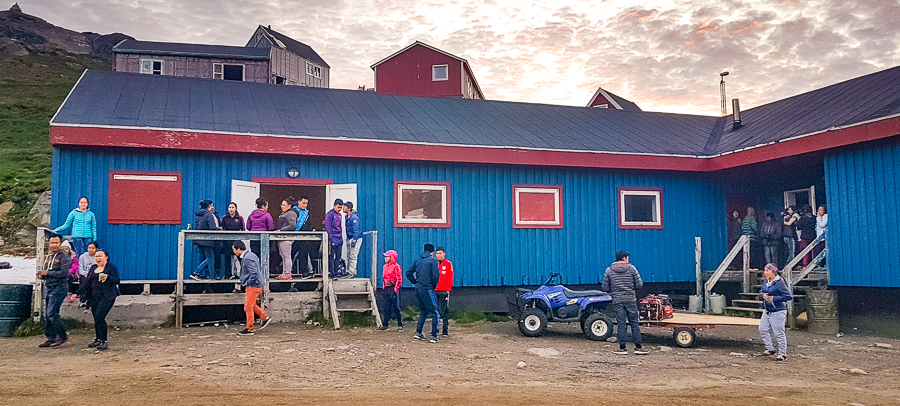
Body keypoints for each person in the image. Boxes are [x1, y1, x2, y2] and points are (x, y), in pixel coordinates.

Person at [601, 250, 647, 355]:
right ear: (624, 258)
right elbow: (639, 285)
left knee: (621, 323)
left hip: (617, 300)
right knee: (634, 323)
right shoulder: (632, 269)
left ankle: (622, 348)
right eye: (627, 257)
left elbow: (605, 287)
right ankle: (638, 347)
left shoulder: (609, 270)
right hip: (630, 300)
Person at [77, 249, 120, 351]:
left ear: (106, 257)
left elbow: (117, 280)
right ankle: (98, 339)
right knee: (96, 319)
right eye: (96, 256)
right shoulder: (93, 268)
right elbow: (87, 283)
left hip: (107, 296)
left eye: (100, 256)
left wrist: (108, 277)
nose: (98, 258)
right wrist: (77, 293)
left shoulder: (111, 268)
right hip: (94, 297)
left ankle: (104, 341)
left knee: (100, 317)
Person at [36, 234, 72, 348]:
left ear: (60, 244)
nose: (54, 245)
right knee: (48, 314)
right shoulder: (48, 257)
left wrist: (47, 273)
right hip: (50, 286)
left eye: (56, 243)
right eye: (52, 243)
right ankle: (51, 338)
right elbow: (48, 271)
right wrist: (42, 276)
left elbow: (64, 273)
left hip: (60, 287)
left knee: (52, 313)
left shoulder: (65, 257)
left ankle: (62, 336)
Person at [233, 241, 272, 335]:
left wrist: (248, 283)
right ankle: (264, 317)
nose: (233, 251)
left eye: (234, 249)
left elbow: (254, 273)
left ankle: (250, 328)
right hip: (256, 284)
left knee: (248, 306)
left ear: (238, 249)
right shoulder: (251, 255)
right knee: (251, 304)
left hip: (253, 285)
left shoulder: (247, 258)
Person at [406, 243, 441, 343]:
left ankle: (419, 332)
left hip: (418, 288)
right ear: (432, 252)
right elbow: (435, 276)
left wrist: (415, 282)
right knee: (435, 312)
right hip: (427, 288)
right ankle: (434, 336)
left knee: (423, 311)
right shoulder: (433, 260)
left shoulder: (418, 260)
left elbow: (408, 272)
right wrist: (432, 286)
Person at [758, 263, 792, 361]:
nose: (765, 273)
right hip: (767, 310)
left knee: (779, 332)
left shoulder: (780, 283)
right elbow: (761, 292)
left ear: (773, 272)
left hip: (778, 311)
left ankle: (782, 353)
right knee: (762, 329)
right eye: (765, 271)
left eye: (767, 271)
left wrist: (774, 298)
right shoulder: (765, 282)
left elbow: (788, 296)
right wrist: (763, 296)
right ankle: (770, 348)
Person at [376, 249, 403, 332]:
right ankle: (385, 325)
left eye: (387, 256)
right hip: (386, 289)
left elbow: (399, 279)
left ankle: (400, 324)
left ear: (392, 257)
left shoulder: (396, 267)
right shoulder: (385, 266)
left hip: (393, 288)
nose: (385, 258)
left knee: (396, 307)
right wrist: (384, 287)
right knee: (386, 306)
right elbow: (384, 278)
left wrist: (395, 289)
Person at [190, 200, 218, 280]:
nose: (212, 207)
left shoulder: (198, 214)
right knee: (210, 258)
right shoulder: (209, 214)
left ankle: (200, 275)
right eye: (211, 205)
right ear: (208, 206)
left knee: (201, 257)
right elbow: (212, 227)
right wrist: (218, 230)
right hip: (207, 240)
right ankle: (198, 272)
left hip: (198, 239)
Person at [291, 196, 317, 279]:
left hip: (304, 237)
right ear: (299, 202)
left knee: (304, 255)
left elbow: (310, 225)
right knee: (290, 255)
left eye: (306, 203)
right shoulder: (293, 211)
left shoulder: (307, 213)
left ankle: (305, 272)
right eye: (303, 203)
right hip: (294, 236)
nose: (305, 205)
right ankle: (288, 272)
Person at [274, 199, 298, 280]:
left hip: (286, 238)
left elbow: (292, 225)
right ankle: (284, 272)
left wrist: (281, 230)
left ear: (289, 206)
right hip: (281, 237)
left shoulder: (291, 213)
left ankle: (288, 273)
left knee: (287, 256)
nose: (282, 206)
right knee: (283, 256)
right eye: (282, 205)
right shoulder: (284, 213)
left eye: (284, 205)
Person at [324, 199, 348, 278]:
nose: (340, 209)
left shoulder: (340, 215)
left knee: (338, 256)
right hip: (332, 238)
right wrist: (330, 238)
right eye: (338, 207)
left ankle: (337, 271)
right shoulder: (329, 214)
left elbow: (340, 227)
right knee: (331, 256)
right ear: (334, 206)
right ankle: (332, 272)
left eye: (341, 208)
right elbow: (328, 227)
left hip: (339, 239)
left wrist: (341, 238)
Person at [221, 202, 245, 279]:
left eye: (232, 207)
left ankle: (241, 273)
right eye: (230, 207)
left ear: (236, 209)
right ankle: (228, 275)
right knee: (227, 258)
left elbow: (243, 229)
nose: (231, 209)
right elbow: (222, 228)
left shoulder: (239, 218)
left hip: (236, 240)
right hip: (227, 241)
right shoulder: (225, 218)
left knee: (239, 257)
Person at [434, 247, 453, 337]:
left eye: (440, 253)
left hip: (444, 291)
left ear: (444, 254)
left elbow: (450, 277)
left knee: (444, 311)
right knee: (435, 311)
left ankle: (445, 330)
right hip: (435, 291)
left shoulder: (448, 264)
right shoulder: (434, 263)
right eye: (437, 253)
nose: (438, 255)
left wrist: (447, 289)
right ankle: (435, 330)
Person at [343, 201, 362, 278]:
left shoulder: (354, 218)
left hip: (355, 239)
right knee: (349, 255)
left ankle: (351, 272)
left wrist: (354, 240)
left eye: (344, 206)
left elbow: (356, 230)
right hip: (350, 238)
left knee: (353, 255)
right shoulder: (347, 217)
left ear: (349, 208)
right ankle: (348, 272)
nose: (343, 208)